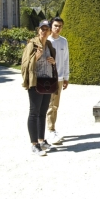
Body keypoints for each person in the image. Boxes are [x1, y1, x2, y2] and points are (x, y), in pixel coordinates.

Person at [22, 20, 56, 156]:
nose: (44, 31)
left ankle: (41, 140)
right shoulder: (32, 44)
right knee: (34, 112)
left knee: (43, 112)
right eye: (42, 29)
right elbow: (24, 64)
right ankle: (34, 144)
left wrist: (53, 61)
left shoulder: (48, 44)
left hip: (47, 81)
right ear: (38, 30)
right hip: (36, 82)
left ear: (49, 32)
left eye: (46, 29)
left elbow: (53, 60)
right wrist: (35, 57)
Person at [46, 17, 69, 145]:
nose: (58, 28)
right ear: (51, 26)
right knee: (50, 105)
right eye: (55, 25)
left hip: (59, 78)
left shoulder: (64, 41)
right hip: (47, 78)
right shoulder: (46, 41)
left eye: (60, 26)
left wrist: (66, 77)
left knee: (55, 105)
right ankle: (50, 130)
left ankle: (52, 129)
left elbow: (66, 60)